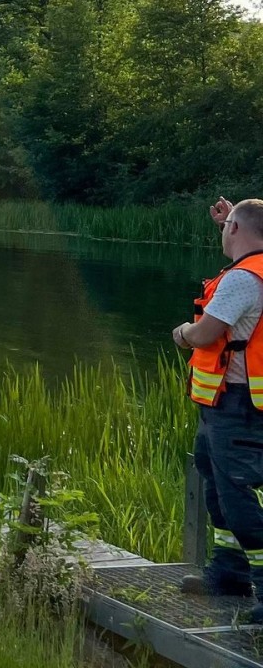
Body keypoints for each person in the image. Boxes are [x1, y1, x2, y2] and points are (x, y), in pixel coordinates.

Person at [173, 197, 263, 618]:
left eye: (229, 226)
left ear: (234, 231)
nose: (224, 231)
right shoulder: (253, 269)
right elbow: (250, 229)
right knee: (216, 480)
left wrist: (183, 332)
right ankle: (230, 573)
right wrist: (233, 217)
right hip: (227, 402)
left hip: (239, 404)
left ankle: (259, 586)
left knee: (238, 494)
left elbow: (207, 334)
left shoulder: (244, 279)